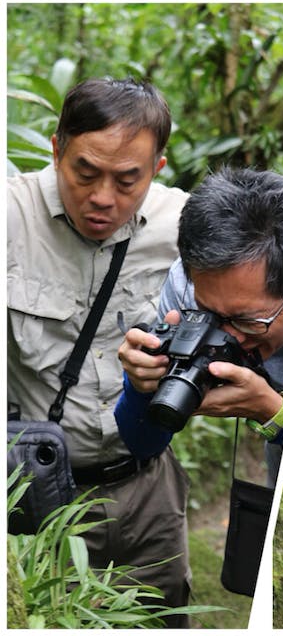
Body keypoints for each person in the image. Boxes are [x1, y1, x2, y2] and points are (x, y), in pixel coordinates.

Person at [7, 77, 191, 626]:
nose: (103, 197)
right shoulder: (10, 219)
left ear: (156, 170)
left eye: (127, 179)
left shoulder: (186, 226)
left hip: (149, 486)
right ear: (56, 147)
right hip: (35, 490)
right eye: (85, 172)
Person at [116, 167, 283, 488]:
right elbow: (143, 444)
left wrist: (272, 413)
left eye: (246, 320)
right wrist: (142, 385)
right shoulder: (187, 288)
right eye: (208, 314)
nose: (229, 336)